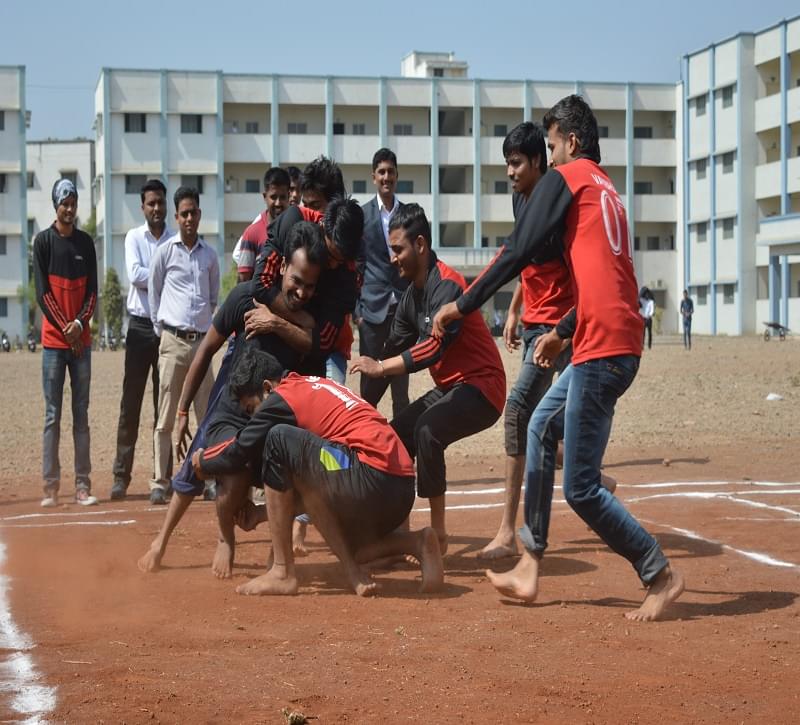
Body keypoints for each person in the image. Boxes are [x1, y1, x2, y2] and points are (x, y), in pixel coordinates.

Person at [432, 95, 684, 621]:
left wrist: (462, 303)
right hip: (600, 336)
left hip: (606, 349)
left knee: (582, 487)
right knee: (540, 426)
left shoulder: (569, 179)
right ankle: (530, 562)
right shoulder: (605, 188)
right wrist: (563, 332)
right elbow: (604, 282)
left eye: (550, 147)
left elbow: (517, 251)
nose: (548, 159)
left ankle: (659, 573)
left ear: (570, 142)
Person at [138, 222, 324, 577]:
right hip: (231, 412)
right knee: (202, 469)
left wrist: (274, 323)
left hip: (272, 420)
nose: (300, 291)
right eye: (296, 280)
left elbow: (308, 342)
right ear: (283, 266)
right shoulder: (244, 298)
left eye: (310, 286)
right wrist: (181, 411)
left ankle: (277, 550)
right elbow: (206, 350)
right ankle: (183, 540)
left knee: (287, 477)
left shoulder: (305, 323)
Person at [192, 347, 444, 596]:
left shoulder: (283, 396)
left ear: (268, 388)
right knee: (351, 547)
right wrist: (262, 513)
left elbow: (239, 447)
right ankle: (417, 543)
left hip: (370, 477)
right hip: (397, 488)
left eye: (251, 409)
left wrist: (203, 461)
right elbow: (316, 490)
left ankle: (282, 571)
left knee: (277, 439)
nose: (252, 418)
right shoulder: (314, 386)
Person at [350, 204, 506, 552]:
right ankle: (401, 530)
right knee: (396, 435)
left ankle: (438, 537)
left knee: (427, 431)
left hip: (483, 387)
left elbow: (433, 350)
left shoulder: (449, 285)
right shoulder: (410, 298)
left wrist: (381, 365)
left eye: (398, 249)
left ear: (420, 245)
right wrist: (359, 408)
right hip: (452, 387)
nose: (393, 258)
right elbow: (391, 349)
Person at [477, 122, 575, 560]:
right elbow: (523, 254)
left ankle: (510, 532)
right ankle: (575, 464)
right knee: (534, 417)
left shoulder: (561, 204)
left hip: (562, 329)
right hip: (535, 322)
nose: (511, 172)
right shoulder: (520, 199)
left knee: (521, 411)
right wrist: (516, 308)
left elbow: (573, 266)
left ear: (539, 161)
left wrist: (562, 331)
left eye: (517, 163)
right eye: (507, 164)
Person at [148, 186, 219, 505]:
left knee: (208, 416)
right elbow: (154, 293)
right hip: (173, 343)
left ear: (200, 215)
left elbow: (214, 297)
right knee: (166, 415)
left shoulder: (210, 255)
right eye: (184, 213)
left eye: (194, 212)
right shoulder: (164, 252)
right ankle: (160, 482)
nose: (190, 218)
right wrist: (163, 331)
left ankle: (210, 479)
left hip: (202, 345)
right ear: (176, 217)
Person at [34, 179, 98, 507]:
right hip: (54, 346)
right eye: (64, 203)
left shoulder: (86, 244)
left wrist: (79, 325)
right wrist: (66, 329)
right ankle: (50, 487)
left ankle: (83, 486)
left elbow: (92, 294)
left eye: (73, 203)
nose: (69, 209)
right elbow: (43, 295)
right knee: (52, 415)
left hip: (81, 344)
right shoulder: (42, 243)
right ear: (55, 205)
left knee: (81, 416)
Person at [110, 179, 174, 501]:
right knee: (130, 404)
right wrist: (164, 273)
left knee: (163, 406)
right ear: (143, 207)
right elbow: (135, 274)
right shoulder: (134, 237)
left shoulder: (177, 239)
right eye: (151, 203)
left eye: (161, 202)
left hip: (167, 327)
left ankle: (163, 476)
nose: (157, 209)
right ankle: (121, 476)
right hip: (138, 328)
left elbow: (169, 279)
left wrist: (159, 275)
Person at [354, 148, 410, 416]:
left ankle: (403, 450)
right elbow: (354, 265)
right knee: (369, 389)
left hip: (402, 312)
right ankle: (366, 449)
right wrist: (357, 313)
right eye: (382, 172)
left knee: (401, 385)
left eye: (391, 172)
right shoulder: (362, 216)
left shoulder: (409, 215)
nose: (386, 177)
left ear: (397, 175)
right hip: (371, 315)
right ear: (373, 177)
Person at [233, 167, 290, 283]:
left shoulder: (296, 229)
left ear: (289, 196)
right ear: (265, 197)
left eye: (282, 197)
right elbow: (243, 281)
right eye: (273, 197)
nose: (278, 203)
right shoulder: (252, 233)